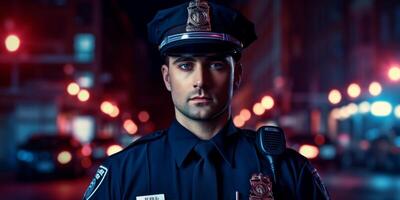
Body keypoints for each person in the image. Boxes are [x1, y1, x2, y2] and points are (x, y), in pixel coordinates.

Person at [83, 0, 330, 199]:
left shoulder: (288, 171)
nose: (200, 80)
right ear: (167, 78)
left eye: (215, 64)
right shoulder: (124, 173)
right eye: (186, 65)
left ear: (237, 76)